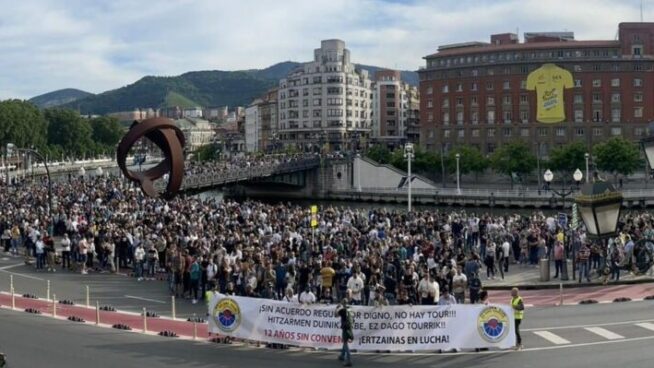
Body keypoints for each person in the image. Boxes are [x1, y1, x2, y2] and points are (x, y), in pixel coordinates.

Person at [336, 298, 353, 367]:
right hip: (350, 327)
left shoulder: (342, 310)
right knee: (344, 341)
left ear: (343, 303)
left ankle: (349, 361)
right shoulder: (350, 309)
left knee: (345, 343)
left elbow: (335, 315)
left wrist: (337, 308)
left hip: (345, 328)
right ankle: (342, 355)